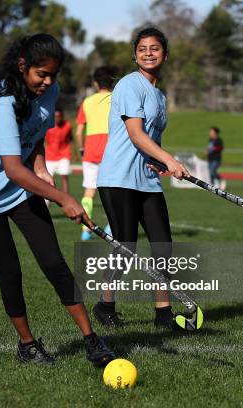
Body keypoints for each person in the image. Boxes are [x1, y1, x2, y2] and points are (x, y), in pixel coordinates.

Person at [0, 33, 115, 367]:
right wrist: (62, 197)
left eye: (53, 75)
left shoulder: (51, 91)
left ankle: (91, 339)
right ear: (22, 66)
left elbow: (36, 133)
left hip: (21, 187)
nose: (47, 82)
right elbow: (12, 168)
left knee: (54, 263)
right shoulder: (3, 103)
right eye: (40, 74)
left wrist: (41, 165)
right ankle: (27, 345)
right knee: (10, 271)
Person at [96, 27, 190, 329]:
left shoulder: (160, 95)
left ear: (165, 53)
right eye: (142, 49)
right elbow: (135, 134)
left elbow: (151, 139)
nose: (148, 53)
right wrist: (170, 160)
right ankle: (104, 304)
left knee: (163, 246)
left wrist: (160, 161)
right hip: (119, 176)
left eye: (155, 48)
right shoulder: (128, 85)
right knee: (126, 247)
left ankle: (164, 314)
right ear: (135, 54)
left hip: (146, 178)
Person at [76, 66, 117, 240]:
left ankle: (86, 230)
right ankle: (111, 228)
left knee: (89, 191)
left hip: (90, 150)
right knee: (114, 192)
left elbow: (79, 131)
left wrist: (82, 148)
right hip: (111, 150)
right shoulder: (117, 99)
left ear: (95, 83)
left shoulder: (87, 101)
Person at [44, 106, 73, 194]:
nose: (57, 118)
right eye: (55, 116)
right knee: (48, 179)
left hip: (64, 154)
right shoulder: (47, 126)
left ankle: (66, 201)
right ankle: (47, 201)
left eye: (59, 116)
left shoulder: (67, 125)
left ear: (62, 116)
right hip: (49, 156)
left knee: (64, 176)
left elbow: (71, 139)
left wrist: (74, 152)